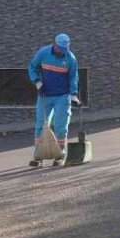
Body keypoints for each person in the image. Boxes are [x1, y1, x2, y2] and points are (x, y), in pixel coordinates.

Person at [27, 33, 79, 167]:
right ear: (54, 44)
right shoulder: (43, 53)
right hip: (45, 95)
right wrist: (37, 81)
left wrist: (74, 95)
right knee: (41, 125)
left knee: (60, 126)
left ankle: (60, 155)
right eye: (60, 49)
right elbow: (33, 67)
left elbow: (73, 77)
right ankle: (38, 156)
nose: (62, 52)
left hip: (62, 96)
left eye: (64, 49)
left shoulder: (70, 58)